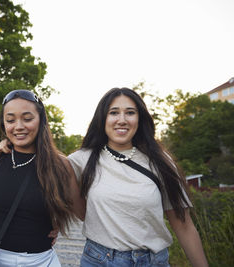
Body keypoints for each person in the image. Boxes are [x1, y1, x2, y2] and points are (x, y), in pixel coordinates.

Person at [68, 87, 208, 266]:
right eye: (113, 113)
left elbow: (184, 225)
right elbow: (44, 176)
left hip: (151, 261)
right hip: (99, 260)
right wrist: (51, 223)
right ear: (102, 118)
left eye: (130, 113)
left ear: (139, 119)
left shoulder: (160, 161)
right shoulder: (83, 159)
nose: (122, 120)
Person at [0, 89, 85, 266]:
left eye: (27, 118)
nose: (18, 126)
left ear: (41, 121)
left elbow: (83, 212)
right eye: (10, 120)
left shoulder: (60, 165)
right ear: (3, 124)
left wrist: (57, 216)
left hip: (39, 261)